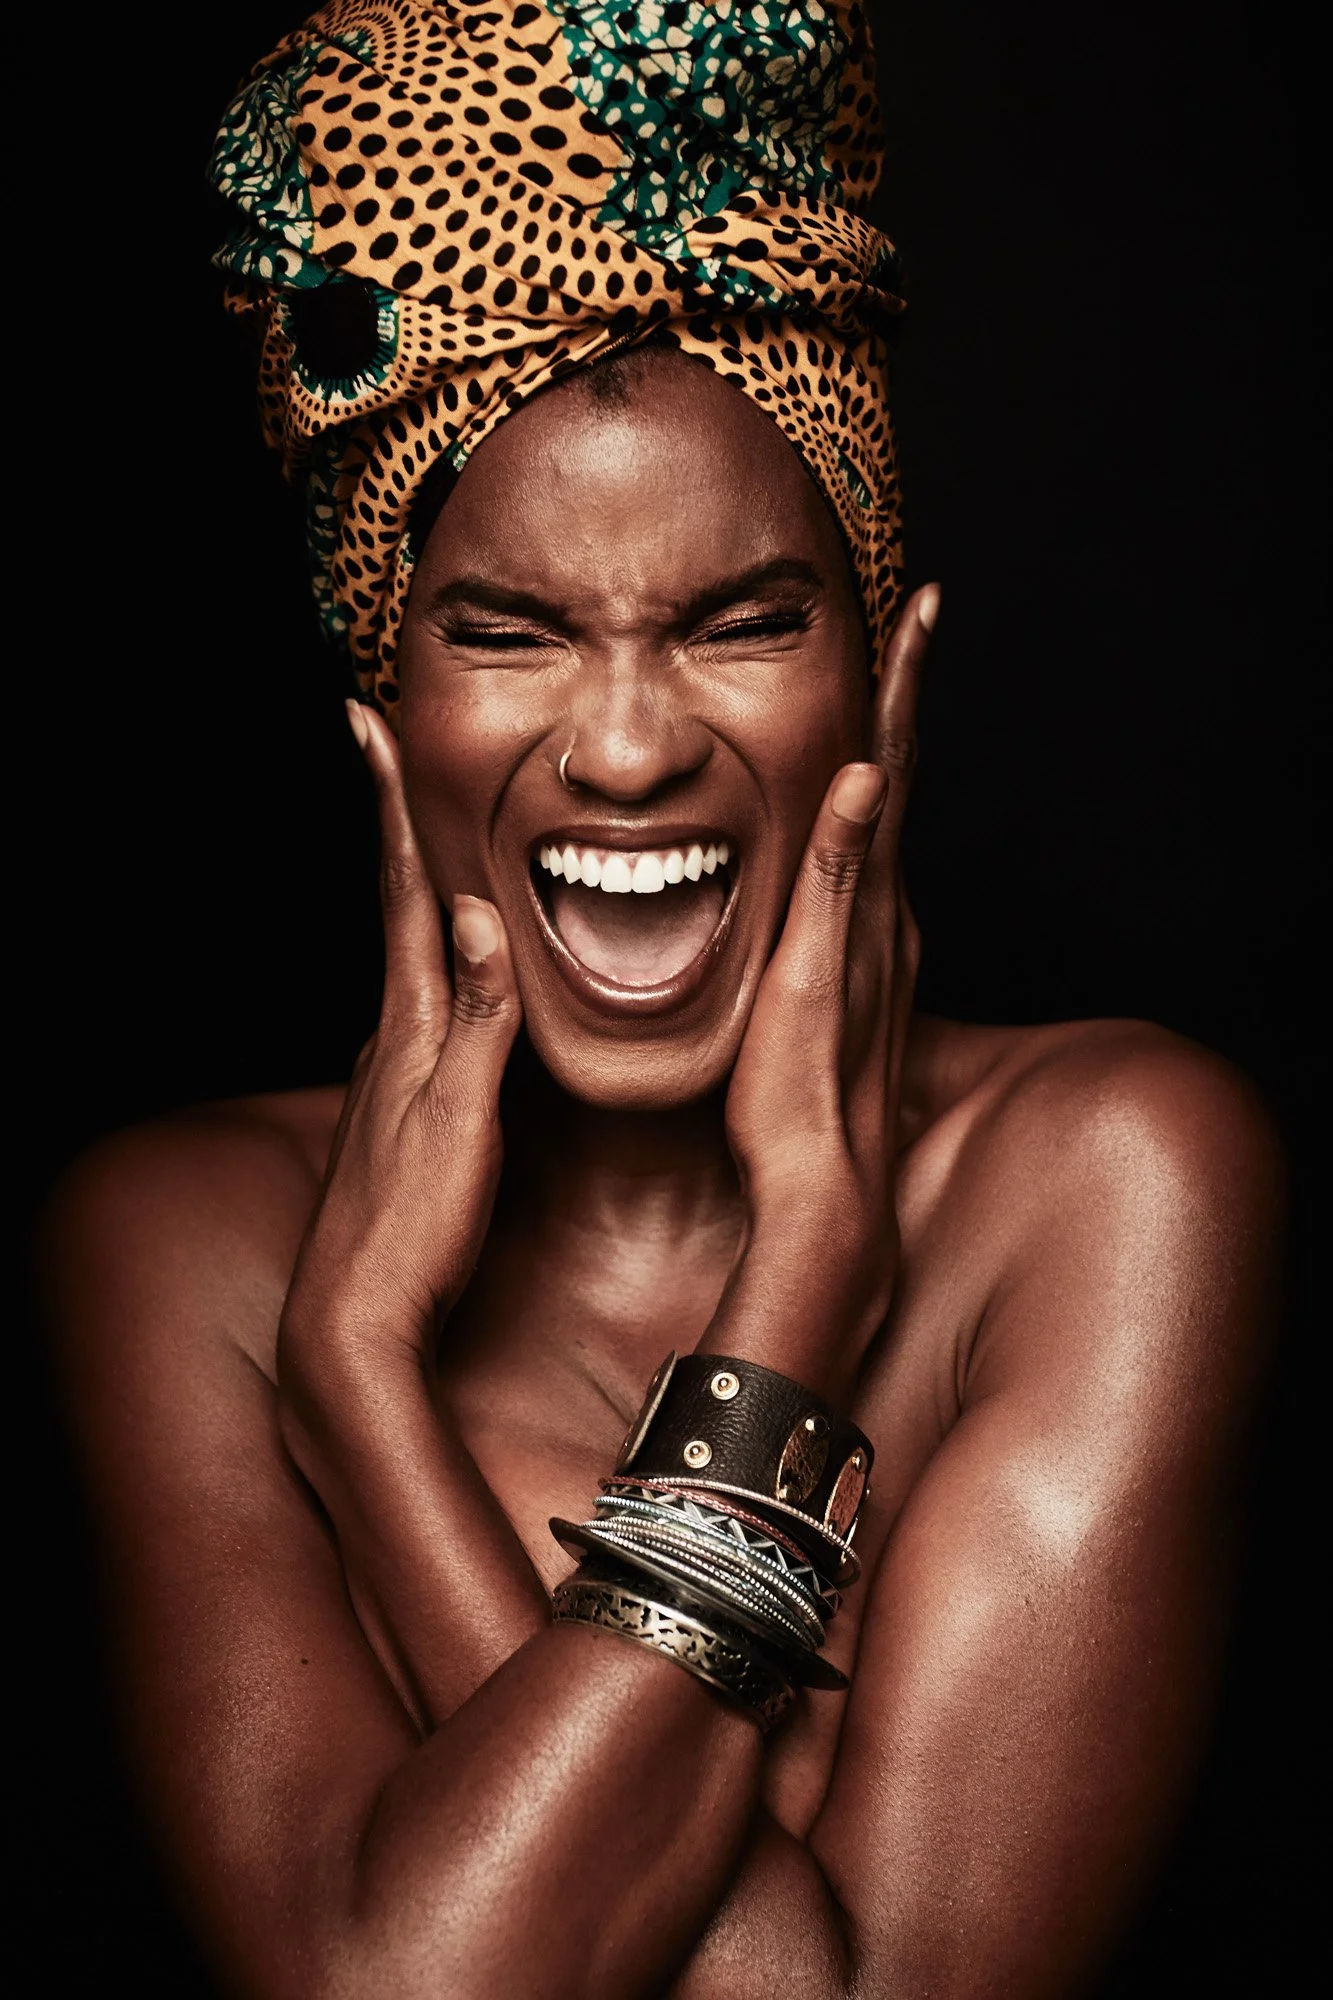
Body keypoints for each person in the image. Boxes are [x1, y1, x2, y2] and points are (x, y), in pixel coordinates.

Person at [44, 4, 1282, 1994]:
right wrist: (352, 1349)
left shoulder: (1113, 1183)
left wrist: (783, 1269)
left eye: (746, 622)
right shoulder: (174, 1246)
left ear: (887, 677)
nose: (624, 749)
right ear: (390, 709)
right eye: (510, 633)